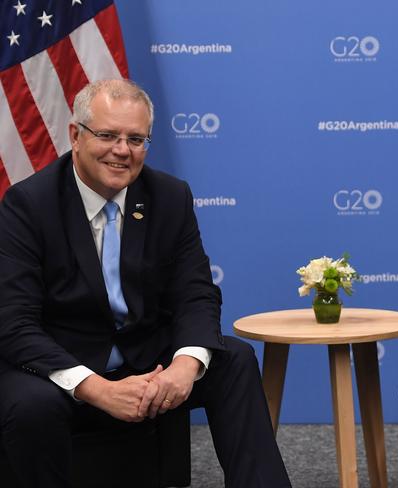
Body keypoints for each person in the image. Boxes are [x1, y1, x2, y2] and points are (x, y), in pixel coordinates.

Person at [0, 79, 292, 488]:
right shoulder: (28, 204)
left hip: (145, 356)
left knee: (234, 360)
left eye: (136, 139)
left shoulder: (169, 196)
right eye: (107, 135)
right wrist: (97, 388)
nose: (122, 150)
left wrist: (184, 368)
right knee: (30, 404)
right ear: (75, 136)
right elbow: (14, 324)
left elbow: (196, 292)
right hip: (63, 364)